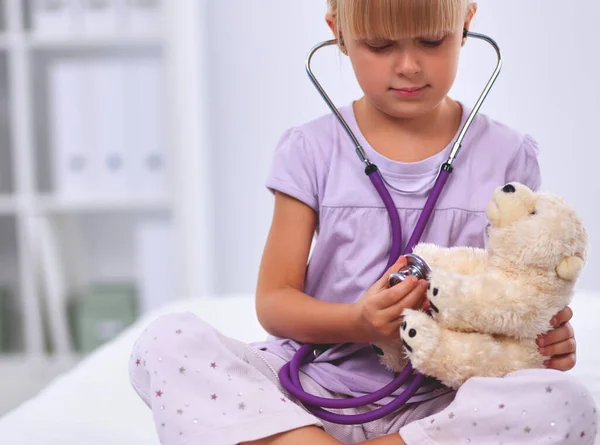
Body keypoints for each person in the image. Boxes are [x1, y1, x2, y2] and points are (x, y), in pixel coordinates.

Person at [128, 1, 597, 444]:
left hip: (441, 399)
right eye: (381, 46)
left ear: (466, 22)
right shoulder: (310, 150)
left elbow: (514, 289)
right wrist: (359, 321)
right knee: (166, 343)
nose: (409, 65)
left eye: (432, 41)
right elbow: (274, 304)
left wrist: (545, 339)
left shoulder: (507, 155)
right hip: (308, 389)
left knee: (564, 402)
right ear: (340, 34)